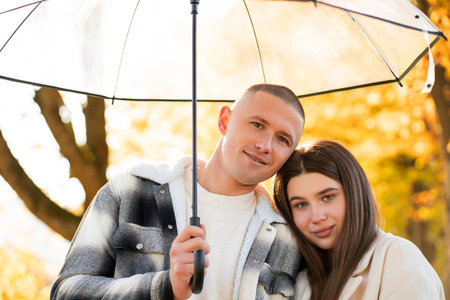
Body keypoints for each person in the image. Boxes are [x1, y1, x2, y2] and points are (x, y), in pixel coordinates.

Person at [50, 83, 306, 300]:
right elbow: (66, 292)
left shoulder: (289, 237)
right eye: (258, 124)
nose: (265, 145)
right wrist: (163, 286)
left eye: (283, 139)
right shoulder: (131, 189)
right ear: (224, 120)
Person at [273, 140, 445, 300]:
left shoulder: (397, 256)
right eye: (301, 204)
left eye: (327, 197)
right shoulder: (298, 279)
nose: (317, 217)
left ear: (354, 193)